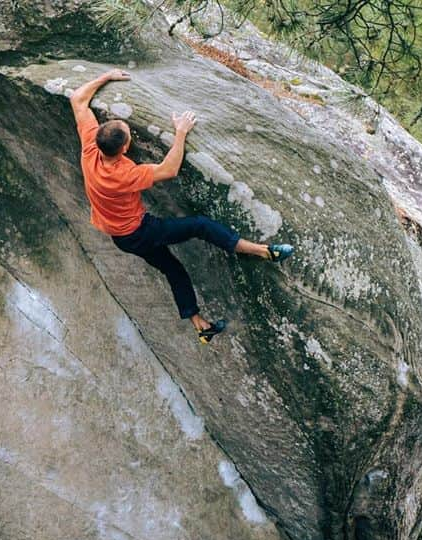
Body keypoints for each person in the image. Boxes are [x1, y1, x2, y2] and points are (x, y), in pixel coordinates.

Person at [70, 69, 295, 344]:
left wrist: (105, 76)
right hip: (141, 231)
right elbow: (169, 169)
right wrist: (180, 133)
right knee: (199, 225)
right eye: (128, 133)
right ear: (125, 148)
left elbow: (78, 100)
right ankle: (261, 251)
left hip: (122, 239)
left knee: (173, 270)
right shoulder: (125, 175)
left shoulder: (90, 151)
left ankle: (201, 325)